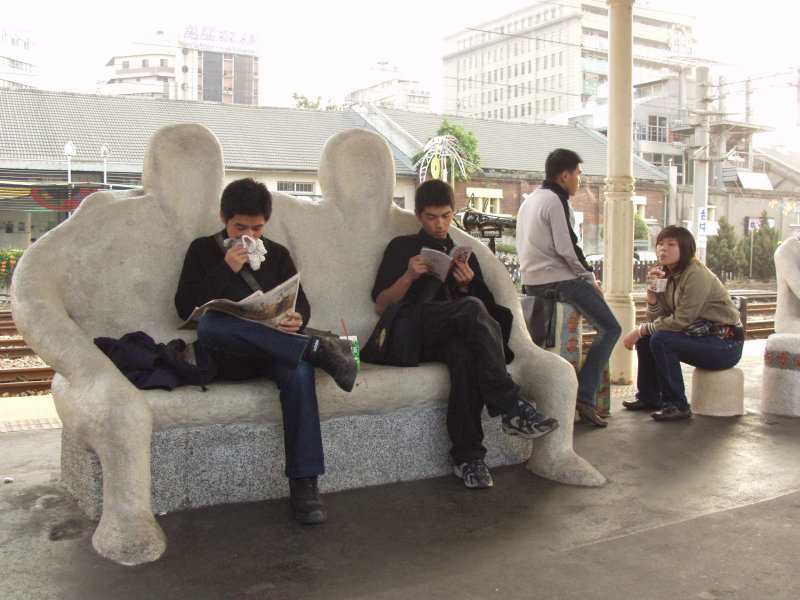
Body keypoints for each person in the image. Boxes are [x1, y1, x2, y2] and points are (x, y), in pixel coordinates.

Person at [175, 178, 357, 524]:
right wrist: (224, 268)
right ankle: (314, 350)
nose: (249, 235)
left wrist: (297, 320)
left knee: (300, 373)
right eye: (239, 227)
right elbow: (184, 306)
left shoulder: (278, 254)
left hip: (276, 351)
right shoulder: (203, 250)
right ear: (223, 218)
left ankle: (305, 484)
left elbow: (299, 301)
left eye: (256, 228)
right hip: (228, 354)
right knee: (211, 325)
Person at [367, 178, 558, 490]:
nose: (441, 224)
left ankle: (468, 457)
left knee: (464, 353)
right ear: (418, 215)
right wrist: (407, 276)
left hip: (448, 336)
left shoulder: (462, 252)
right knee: (469, 308)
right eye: (431, 217)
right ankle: (510, 405)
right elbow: (380, 305)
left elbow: (486, 315)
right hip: (411, 331)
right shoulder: (401, 247)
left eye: (446, 216)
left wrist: (467, 284)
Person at [516, 149, 621, 427]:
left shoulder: (530, 201)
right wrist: (590, 279)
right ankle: (584, 395)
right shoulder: (555, 200)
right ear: (565, 175)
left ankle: (582, 393)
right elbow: (568, 248)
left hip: (532, 284)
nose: (579, 181)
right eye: (578, 175)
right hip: (559, 281)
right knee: (612, 328)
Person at [621, 226, 745, 421]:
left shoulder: (696, 274)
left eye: (671, 244)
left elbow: (681, 320)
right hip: (698, 337)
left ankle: (677, 405)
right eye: (660, 244)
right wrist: (652, 297)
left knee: (660, 339)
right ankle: (650, 397)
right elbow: (658, 321)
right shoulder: (665, 274)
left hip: (725, 344)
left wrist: (642, 329)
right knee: (648, 339)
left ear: (685, 249)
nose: (663, 249)